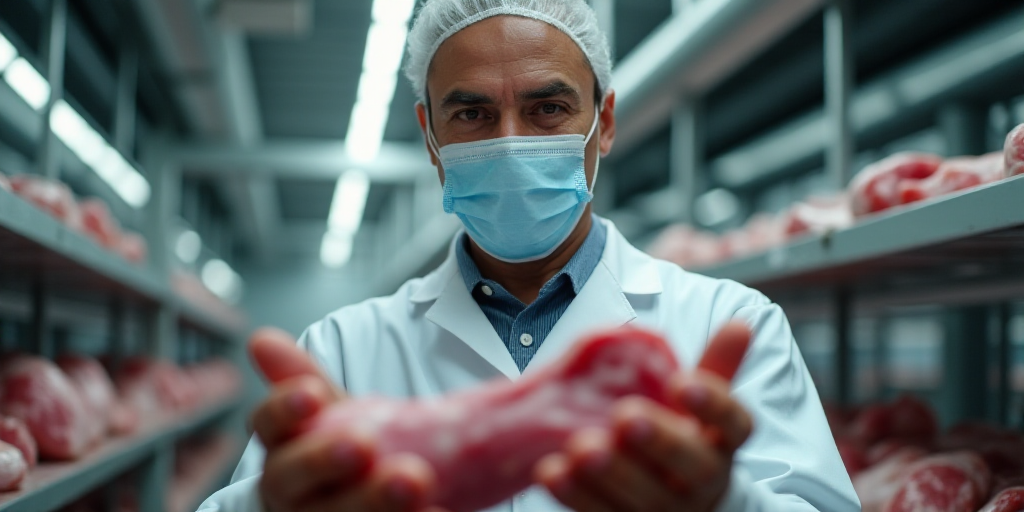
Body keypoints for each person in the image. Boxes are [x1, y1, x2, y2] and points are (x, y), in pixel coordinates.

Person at [198, 0, 860, 511]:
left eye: (548, 108)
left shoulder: (726, 323)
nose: (510, 143)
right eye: (473, 115)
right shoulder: (342, 349)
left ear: (603, 123)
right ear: (430, 135)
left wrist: (722, 501)